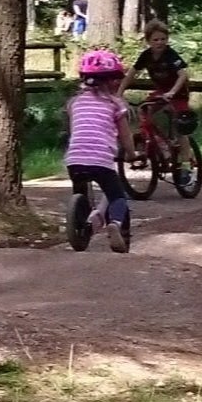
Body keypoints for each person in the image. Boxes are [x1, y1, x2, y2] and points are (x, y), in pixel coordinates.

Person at [66, 47, 137, 252]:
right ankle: (115, 224)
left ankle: (81, 222)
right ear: (111, 81)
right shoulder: (115, 104)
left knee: (80, 189)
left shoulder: (75, 102)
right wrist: (132, 155)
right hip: (101, 160)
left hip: (75, 157)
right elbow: (125, 135)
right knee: (117, 195)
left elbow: (75, 131)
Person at [127, 19, 197, 164]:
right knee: (144, 111)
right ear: (148, 41)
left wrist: (172, 92)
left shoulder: (170, 54)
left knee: (180, 125)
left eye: (163, 39)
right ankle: (159, 144)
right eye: (155, 39)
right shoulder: (146, 55)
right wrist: (119, 93)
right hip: (161, 91)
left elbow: (183, 75)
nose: (160, 42)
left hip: (178, 93)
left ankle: (186, 163)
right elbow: (131, 74)